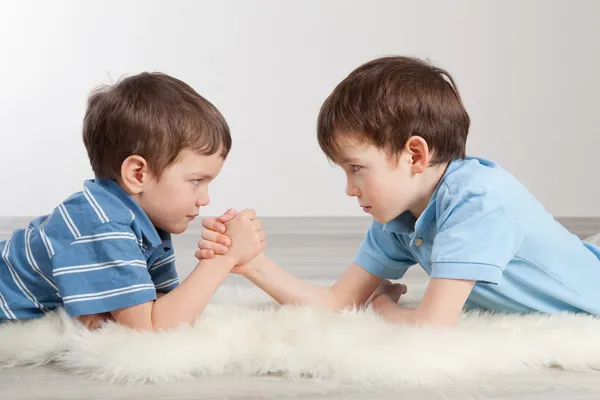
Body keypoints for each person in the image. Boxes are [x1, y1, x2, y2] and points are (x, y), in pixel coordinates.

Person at [198, 56, 600, 326]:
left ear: (415, 154)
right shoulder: (400, 218)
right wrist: (249, 263)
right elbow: (336, 302)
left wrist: (383, 307)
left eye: (356, 169)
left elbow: (431, 329)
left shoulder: (479, 202)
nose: (349, 189)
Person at [0, 72, 265, 330]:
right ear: (138, 174)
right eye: (196, 181)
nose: (205, 199)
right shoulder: (105, 224)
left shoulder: (146, 222)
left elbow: (161, 303)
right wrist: (222, 258)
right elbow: (149, 330)